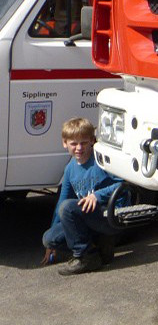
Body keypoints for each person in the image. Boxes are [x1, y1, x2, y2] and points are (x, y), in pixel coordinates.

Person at [41, 117, 124, 275]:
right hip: (86, 218)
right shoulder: (70, 169)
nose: (79, 148)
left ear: (92, 141)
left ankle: (85, 257)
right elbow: (61, 202)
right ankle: (98, 248)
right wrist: (50, 246)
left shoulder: (101, 160)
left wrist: (97, 196)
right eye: (73, 143)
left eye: (84, 143)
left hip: (108, 215)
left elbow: (124, 184)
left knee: (68, 208)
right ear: (65, 143)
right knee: (49, 238)